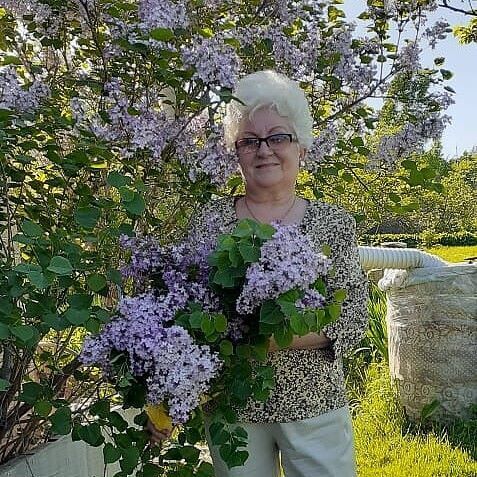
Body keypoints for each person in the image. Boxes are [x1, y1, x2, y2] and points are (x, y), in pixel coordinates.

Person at [147, 70, 369, 477]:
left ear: (301, 148)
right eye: (249, 141)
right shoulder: (210, 220)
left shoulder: (333, 223)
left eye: (278, 137)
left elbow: (353, 315)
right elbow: (179, 313)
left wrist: (263, 339)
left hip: (313, 404)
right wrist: (169, 395)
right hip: (233, 408)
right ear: (237, 152)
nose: (264, 150)